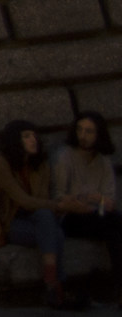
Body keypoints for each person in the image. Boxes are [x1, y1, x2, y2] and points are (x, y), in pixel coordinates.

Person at [0, 120, 84, 309]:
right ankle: (56, 285)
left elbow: (41, 200)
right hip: (13, 223)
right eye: (27, 136)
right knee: (54, 231)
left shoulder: (41, 163)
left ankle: (52, 287)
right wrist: (59, 205)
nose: (33, 140)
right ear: (14, 140)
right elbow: (23, 200)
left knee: (50, 225)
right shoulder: (0, 162)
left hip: (38, 220)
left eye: (34, 135)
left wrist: (57, 206)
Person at [55, 111, 122, 302]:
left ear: (98, 135)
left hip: (97, 214)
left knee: (114, 228)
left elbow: (109, 202)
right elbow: (59, 198)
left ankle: (119, 286)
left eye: (89, 132)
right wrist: (91, 198)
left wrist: (93, 198)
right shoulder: (65, 157)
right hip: (71, 217)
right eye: (80, 130)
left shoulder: (103, 162)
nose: (83, 136)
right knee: (113, 225)